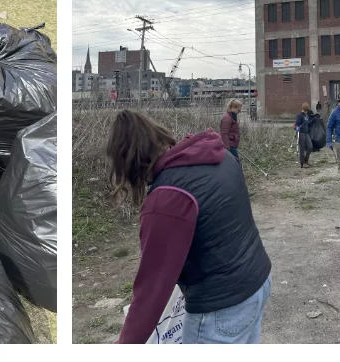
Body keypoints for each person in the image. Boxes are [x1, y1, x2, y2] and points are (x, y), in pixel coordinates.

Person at [108, 110, 272, 344]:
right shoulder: (221, 156)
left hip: (221, 308)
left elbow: (152, 290)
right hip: (258, 281)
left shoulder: (167, 198)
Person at [295, 102, 315, 168]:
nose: (306, 111)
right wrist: (297, 127)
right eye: (305, 110)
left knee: (310, 147)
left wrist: (314, 120)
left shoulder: (306, 115)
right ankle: (302, 163)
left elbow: (308, 123)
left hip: (306, 133)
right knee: (302, 149)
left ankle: (306, 160)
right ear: (304, 109)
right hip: (301, 133)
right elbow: (297, 124)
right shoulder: (300, 115)